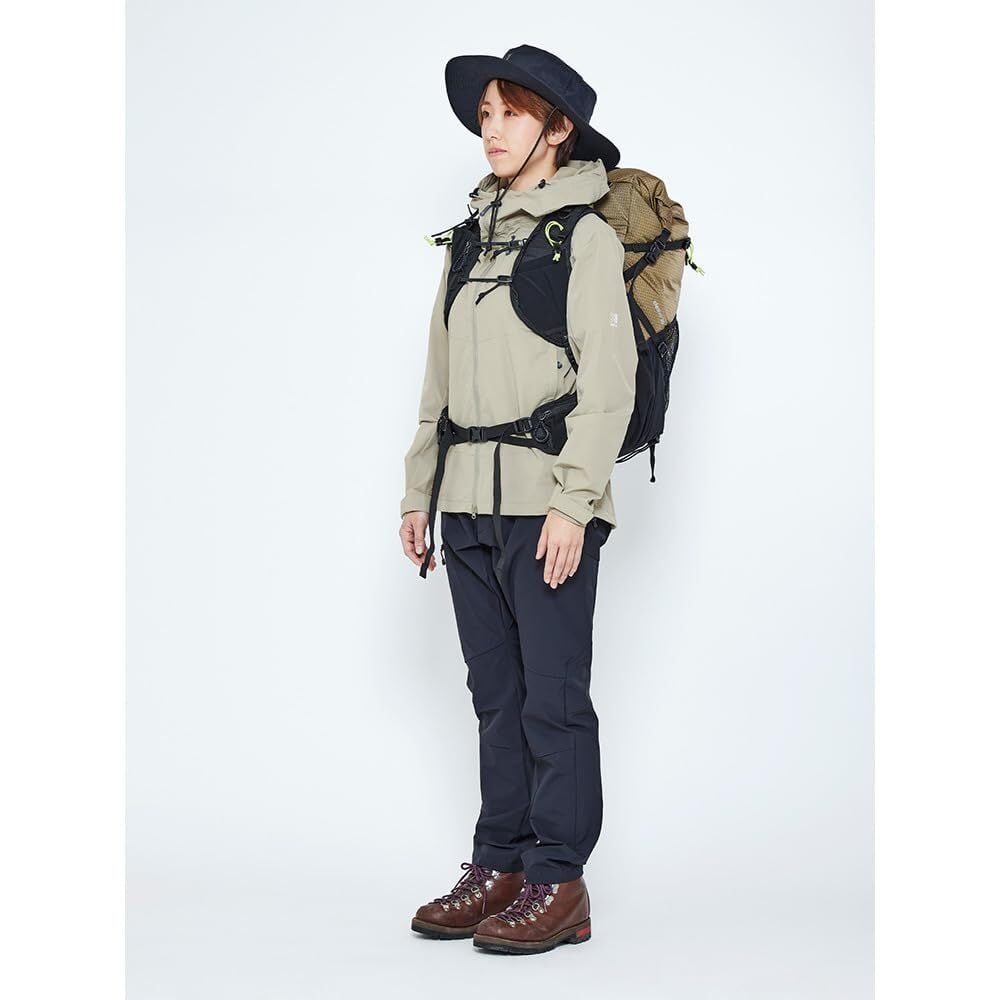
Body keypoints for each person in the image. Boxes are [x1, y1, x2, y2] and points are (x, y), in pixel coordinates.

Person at [399, 44, 637, 956]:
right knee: (495, 696)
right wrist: (420, 489)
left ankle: (558, 880)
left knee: (553, 699)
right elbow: (437, 379)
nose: (490, 129)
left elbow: (608, 386)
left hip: (547, 508)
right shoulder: (469, 239)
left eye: (511, 112)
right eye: (486, 113)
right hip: (465, 506)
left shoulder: (584, 237)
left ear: (558, 127)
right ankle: (499, 863)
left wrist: (574, 505)